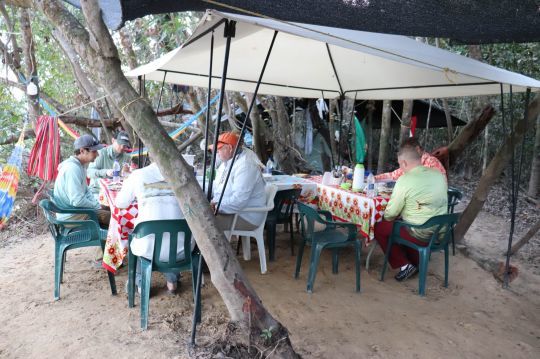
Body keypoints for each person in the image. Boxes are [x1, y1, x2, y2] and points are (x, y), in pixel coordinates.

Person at [116, 159, 191, 294]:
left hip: (148, 248)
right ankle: (172, 280)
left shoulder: (137, 175)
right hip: (182, 249)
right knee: (170, 235)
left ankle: (141, 284)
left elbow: (120, 202)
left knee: (137, 237)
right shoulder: (185, 174)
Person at [374, 144, 448, 281]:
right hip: (439, 232)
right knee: (407, 223)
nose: (400, 167)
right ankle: (415, 262)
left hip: (420, 234)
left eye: (399, 164)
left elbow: (390, 214)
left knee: (379, 227)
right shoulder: (438, 175)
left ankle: (404, 265)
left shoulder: (405, 179)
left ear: (404, 163)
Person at [209, 131, 266, 232]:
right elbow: (217, 187)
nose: (217, 152)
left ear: (230, 148)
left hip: (246, 216)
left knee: (202, 222)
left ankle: (212, 248)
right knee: (195, 216)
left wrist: (216, 205)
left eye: (219, 149)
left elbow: (238, 202)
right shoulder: (225, 163)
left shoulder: (245, 166)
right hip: (232, 211)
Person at [53, 134, 110, 227]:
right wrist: (96, 206)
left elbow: (86, 191)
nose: (97, 154)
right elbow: (78, 201)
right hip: (71, 217)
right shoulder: (72, 169)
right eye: (94, 151)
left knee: (111, 209)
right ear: (82, 151)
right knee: (114, 218)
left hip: (76, 211)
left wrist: (97, 205)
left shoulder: (81, 165)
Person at [375, 137, 446, 181]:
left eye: (407, 153)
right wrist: (374, 178)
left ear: (418, 150)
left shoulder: (432, 162)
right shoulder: (410, 164)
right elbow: (393, 175)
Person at [88, 130, 132, 196]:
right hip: (98, 191)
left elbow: (127, 177)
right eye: (120, 144)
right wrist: (106, 172)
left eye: (125, 145)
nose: (122, 147)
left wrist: (127, 174)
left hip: (117, 192)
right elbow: (89, 173)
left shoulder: (127, 157)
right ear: (113, 141)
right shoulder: (101, 153)